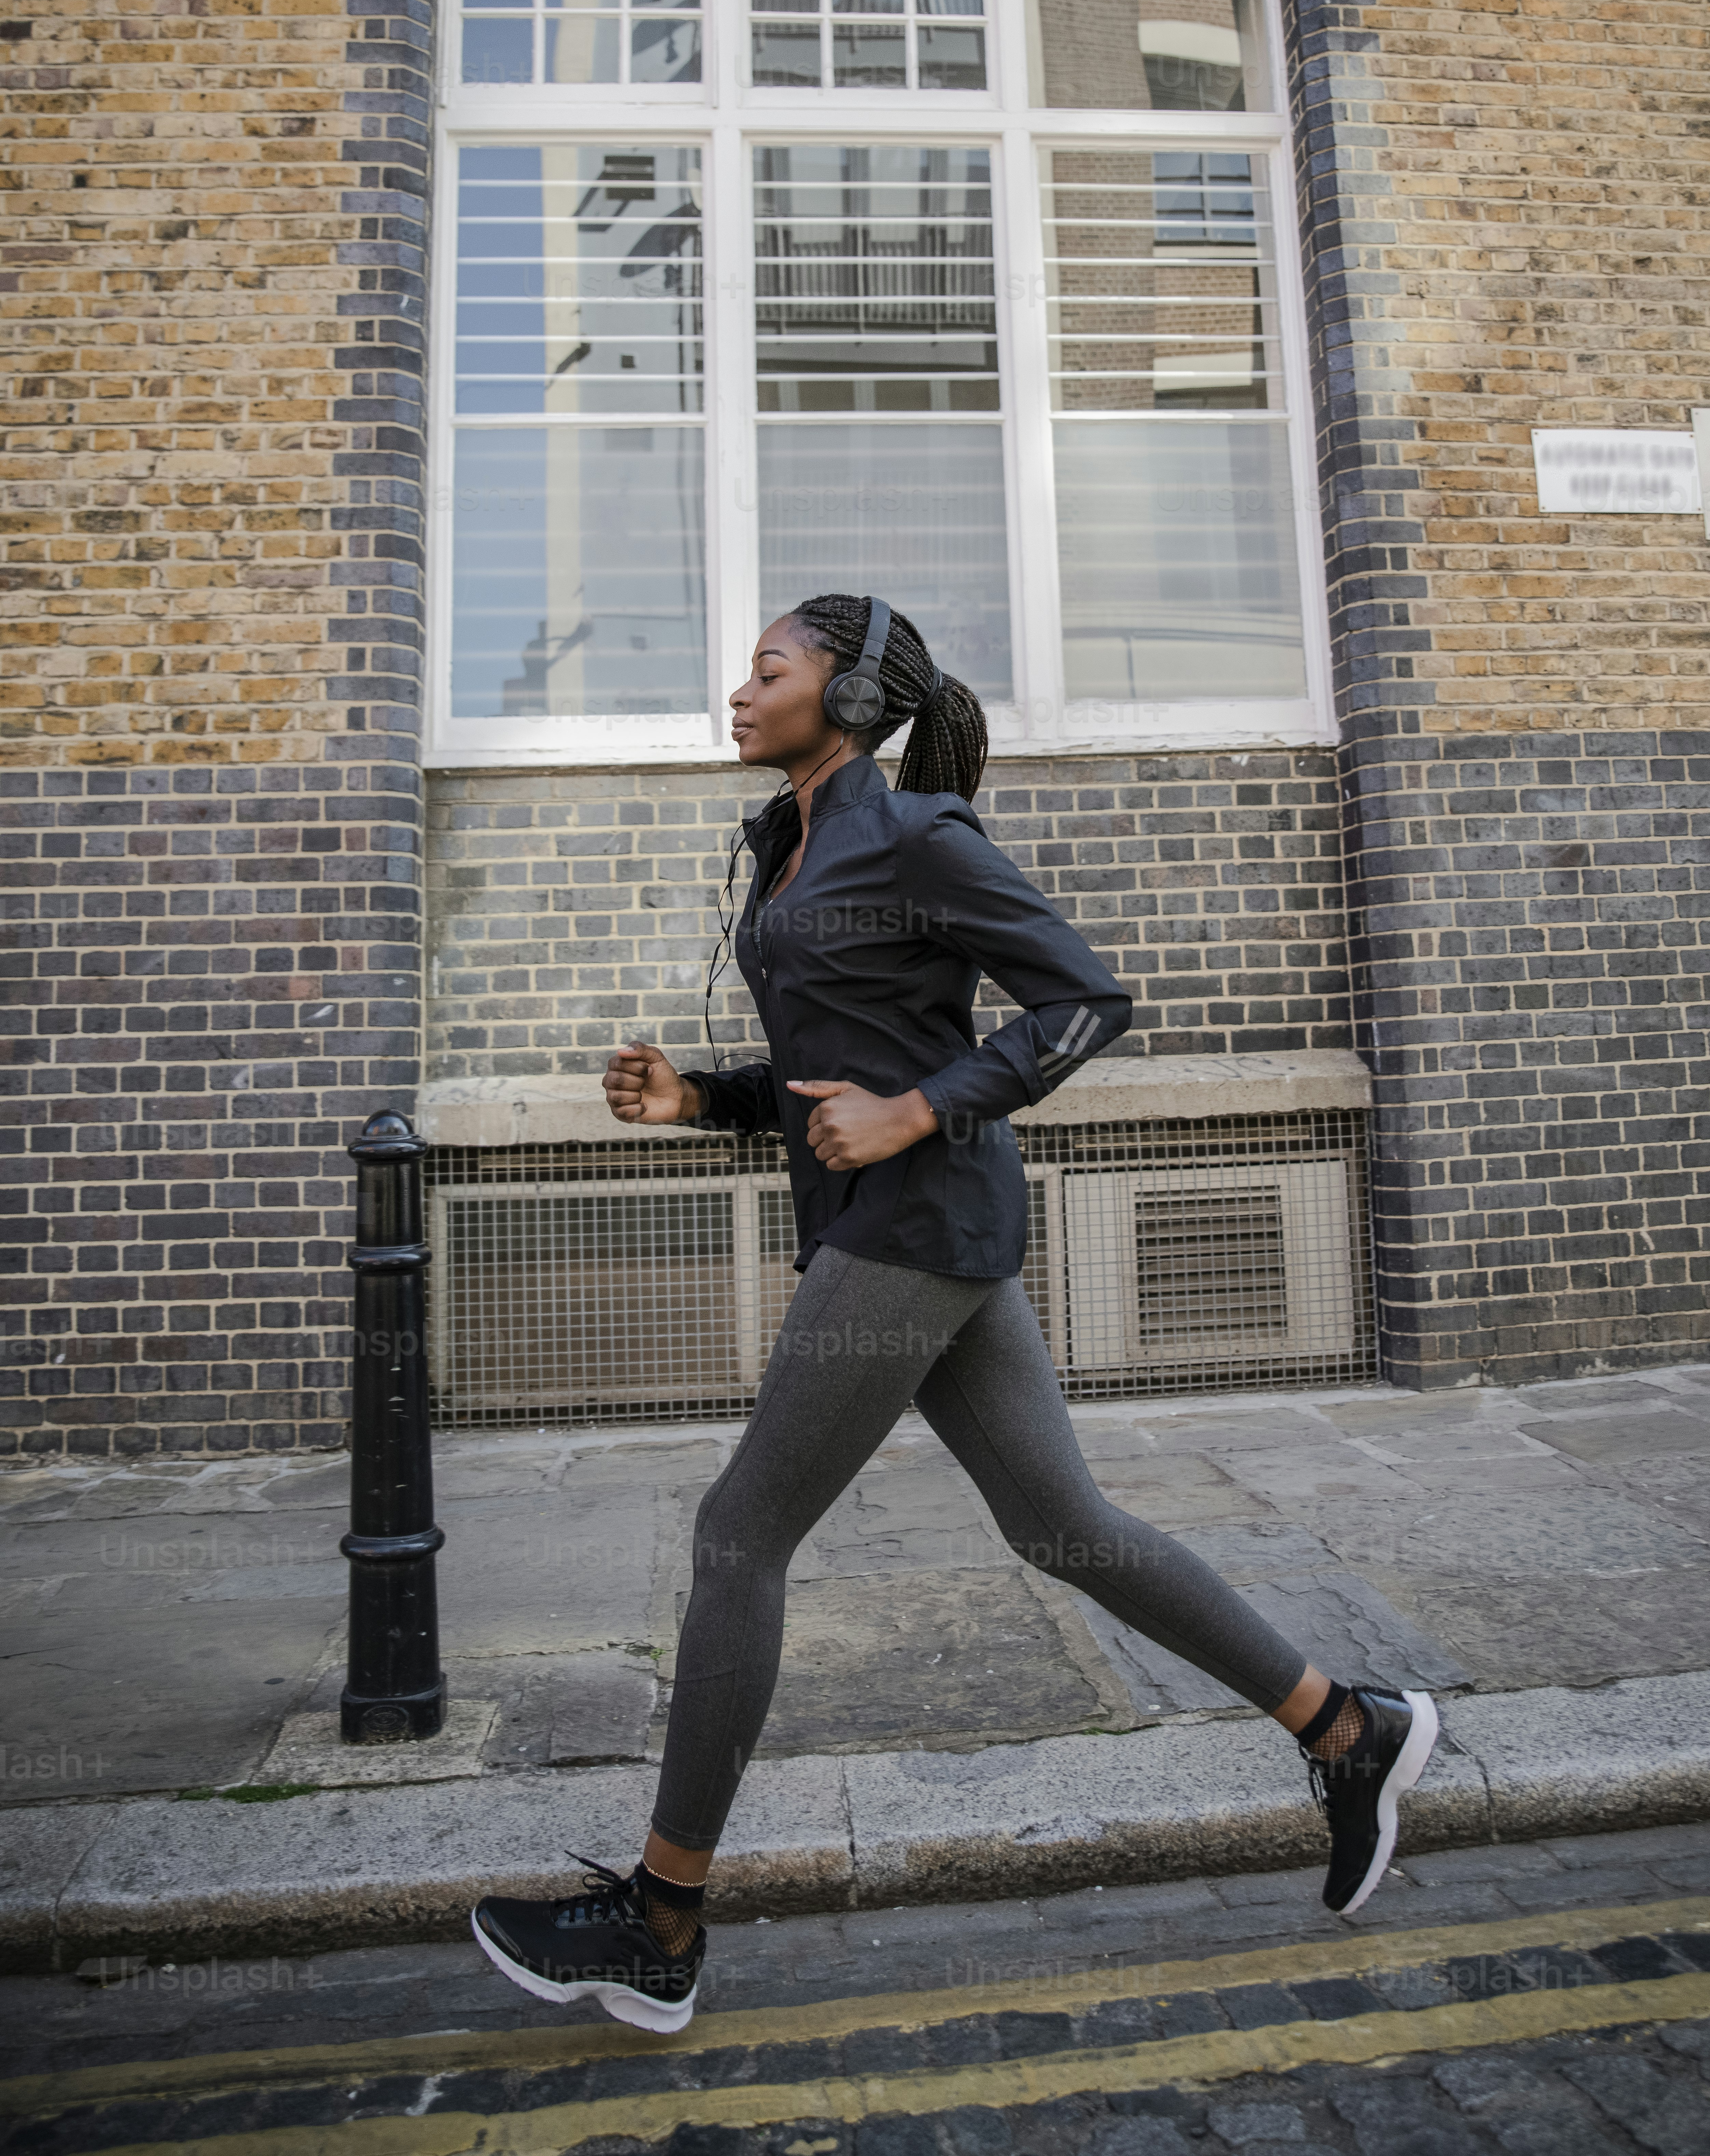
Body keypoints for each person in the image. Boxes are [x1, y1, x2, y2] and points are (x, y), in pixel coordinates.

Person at [472, 595, 1436, 2031]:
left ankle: (660, 1920)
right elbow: (833, 1069)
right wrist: (704, 1099)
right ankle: (1347, 1730)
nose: (740, 691)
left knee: (739, 1535)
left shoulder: (916, 836)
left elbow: (1083, 1005)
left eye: (768, 670)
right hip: (913, 1218)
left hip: (918, 1225)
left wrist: (922, 1109)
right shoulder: (791, 841)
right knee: (1068, 1530)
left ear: (848, 696)